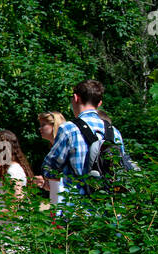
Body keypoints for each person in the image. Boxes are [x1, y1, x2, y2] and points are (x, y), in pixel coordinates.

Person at [40, 80, 129, 210]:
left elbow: (50, 168)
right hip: (109, 209)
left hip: (78, 210)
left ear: (76, 98)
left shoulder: (69, 129)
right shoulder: (114, 132)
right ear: (99, 103)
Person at [32, 111, 67, 204]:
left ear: (55, 125)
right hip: (56, 200)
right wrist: (43, 184)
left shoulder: (63, 149)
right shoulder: (53, 149)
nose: (40, 128)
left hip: (64, 203)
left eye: (43, 125)